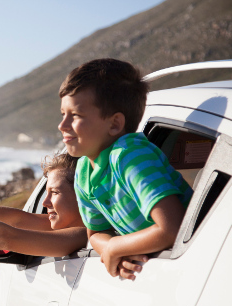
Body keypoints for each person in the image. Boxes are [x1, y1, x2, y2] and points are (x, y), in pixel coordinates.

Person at [58, 58, 193, 279]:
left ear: (114, 124)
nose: (62, 125)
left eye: (76, 115)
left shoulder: (130, 156)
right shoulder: (84, 170)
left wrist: (116, 247)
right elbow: (95, 233)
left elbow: (172, 228)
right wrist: (112, 247)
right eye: (63, 114)